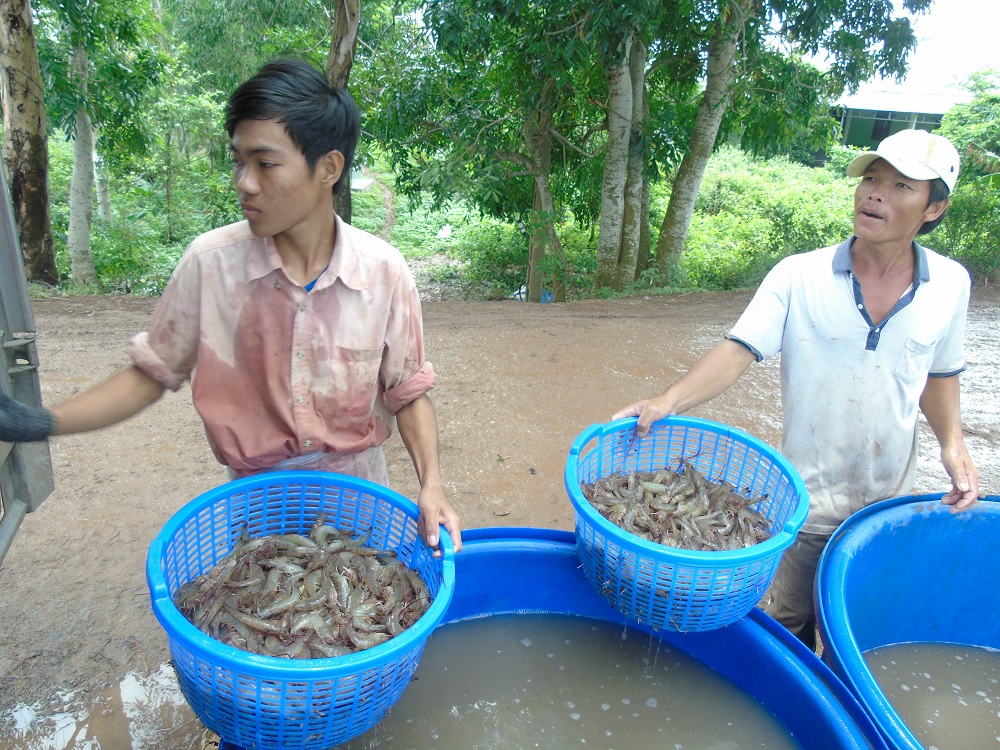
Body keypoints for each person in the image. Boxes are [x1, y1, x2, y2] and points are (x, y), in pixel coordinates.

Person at [0, 57, 461, 556]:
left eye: (265, 164)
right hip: (256, 500)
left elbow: (406, 391)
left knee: (363, 613)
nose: (244, 182)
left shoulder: (383, 272)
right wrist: (42, 422)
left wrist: (431, 485)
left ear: (328, 167)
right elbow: (150, 374)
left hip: (362, 495)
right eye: (238, 162)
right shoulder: (209, 265)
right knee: (265, 612)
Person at [611, 128, 979, 650]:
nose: (875, 193)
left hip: (889, 504)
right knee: (790, 625)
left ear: (934, 208)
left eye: (901, 186)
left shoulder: (951, 284)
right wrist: (665, 401)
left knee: (865, 634)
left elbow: (940, 376)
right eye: (871, 179)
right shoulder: (798, 276)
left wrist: (953, 445)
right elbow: (738, 352)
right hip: (808, 502)